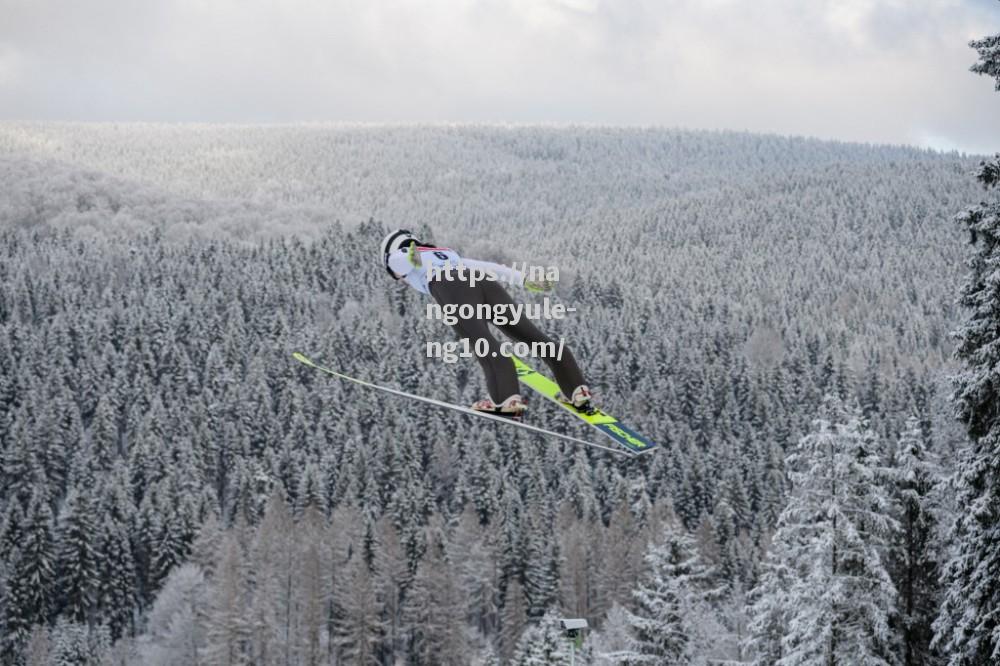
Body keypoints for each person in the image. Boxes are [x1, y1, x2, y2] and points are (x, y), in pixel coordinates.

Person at [379, 228, 593, 418]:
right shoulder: (445, 253)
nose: (399, 278)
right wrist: (523, 279)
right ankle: (577, 390)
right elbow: (487, 267)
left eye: (394, 275)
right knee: (532, 337)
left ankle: (506, 400)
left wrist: (407, 256)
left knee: (484, 344)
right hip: (483, 282)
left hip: (452, 288)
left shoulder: (402, 257)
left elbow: (399, 259)